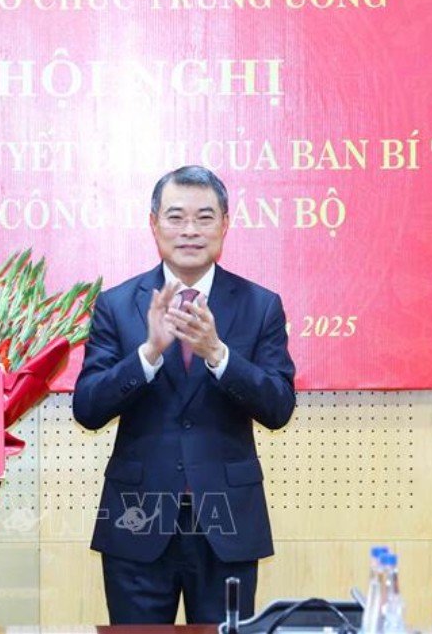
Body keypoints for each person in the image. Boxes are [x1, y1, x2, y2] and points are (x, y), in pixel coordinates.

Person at [72, 165, 296, 624]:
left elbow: (278, 407)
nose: (190, 230)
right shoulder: (117, 304)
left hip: (226, 520)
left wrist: (217, 353)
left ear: (226, 224)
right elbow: (88, 408)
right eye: (176, 217)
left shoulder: (260, 305)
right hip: (138, 518)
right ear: (154, 224)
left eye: (204, 217)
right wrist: (148, 353)